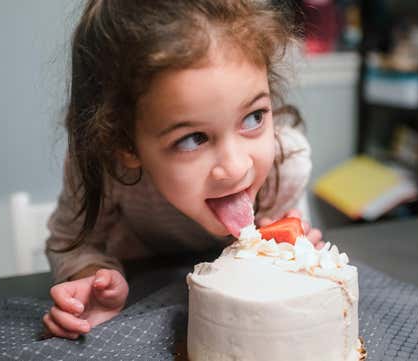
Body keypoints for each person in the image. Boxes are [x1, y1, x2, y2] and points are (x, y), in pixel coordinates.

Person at [42, 0, 322, 340]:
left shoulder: (283, 165)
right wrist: (90, 277)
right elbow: (70, 242)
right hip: (144, 286)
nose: (235, 168)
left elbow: (290, 261)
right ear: (125, 144)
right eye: (193, 139)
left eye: (254, 117)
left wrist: (293, 255)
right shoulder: (104, 169)